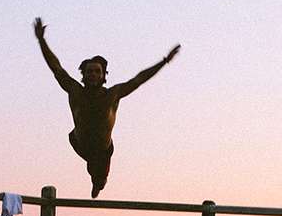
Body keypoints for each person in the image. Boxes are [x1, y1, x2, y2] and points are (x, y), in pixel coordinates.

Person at [33, 17, 180, 198]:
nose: (93, 74)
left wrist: (164, 61)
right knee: (91, 166)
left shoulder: (112, 94)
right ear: (83, 75)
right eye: (89, 71)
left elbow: (139, 79)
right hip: (79, 143)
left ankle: (98, 183)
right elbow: (56, 67)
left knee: (99, 178)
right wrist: (41, 40)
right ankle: (95, 177)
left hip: (103, 151)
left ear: (104, 76)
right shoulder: (74, 90)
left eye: (97, 71)